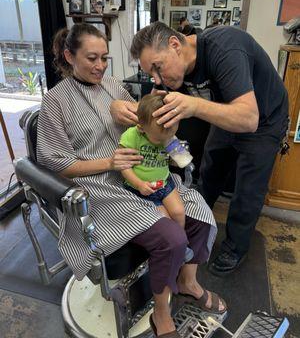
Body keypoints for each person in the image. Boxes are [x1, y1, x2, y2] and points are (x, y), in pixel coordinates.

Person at [36, 23, 226, 337]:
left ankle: (187, 283)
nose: (100, 66)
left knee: (202, 216)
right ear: (69, 56)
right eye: (91, 58)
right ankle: (161, 315)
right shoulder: (55, 102)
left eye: (105, 58)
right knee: (172, 239)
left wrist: (154, 116)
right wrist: (109, 161)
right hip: (100, 188)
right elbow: (58, 164)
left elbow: (145, 126)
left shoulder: (113, 86)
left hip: (140, 172)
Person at [130, 21, 289, 276]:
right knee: (211, 170)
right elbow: (153, 113)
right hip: (224, 111)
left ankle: (236, 247)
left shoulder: (225, 48)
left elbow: (248, 119)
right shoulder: (170, 73)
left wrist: (192, 105)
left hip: (265, 120)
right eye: (152, 73)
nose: (159, 79)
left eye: (158, 68)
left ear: (174, 45)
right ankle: (198, 223)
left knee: (248, 189)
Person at [119, 93, 194, 262]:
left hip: (164, 183)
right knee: (165, 221)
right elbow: (124, 166)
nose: (165, 141)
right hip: (140, 189)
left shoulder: (167, 135)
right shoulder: (132, 136)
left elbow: (181, 160)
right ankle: (174, 244)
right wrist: (138, 184)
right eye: (159, 138)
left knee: (178, 212)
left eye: (170, 134)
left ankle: (181, 245)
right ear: (141, 127)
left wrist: (179, 157)